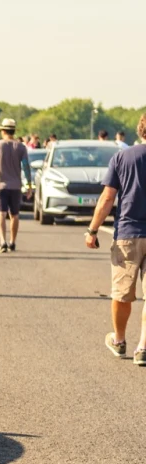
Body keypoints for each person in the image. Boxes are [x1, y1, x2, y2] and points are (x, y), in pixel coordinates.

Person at [86, 114, 146, 365]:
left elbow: (107, 198)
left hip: (128, 233)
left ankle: (120, 341)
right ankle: (143, 348)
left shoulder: (123, 157)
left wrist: (93, 229)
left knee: (122, 293)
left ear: (140, 129)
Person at [0, 118, 31, 253]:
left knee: (1, 213)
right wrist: (28, 185)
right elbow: (26, 167)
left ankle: (2, 241)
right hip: (16, 186)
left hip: (0, 185)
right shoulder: (21, 147)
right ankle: (12, 241)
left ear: (2, 131)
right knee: (15, 214)